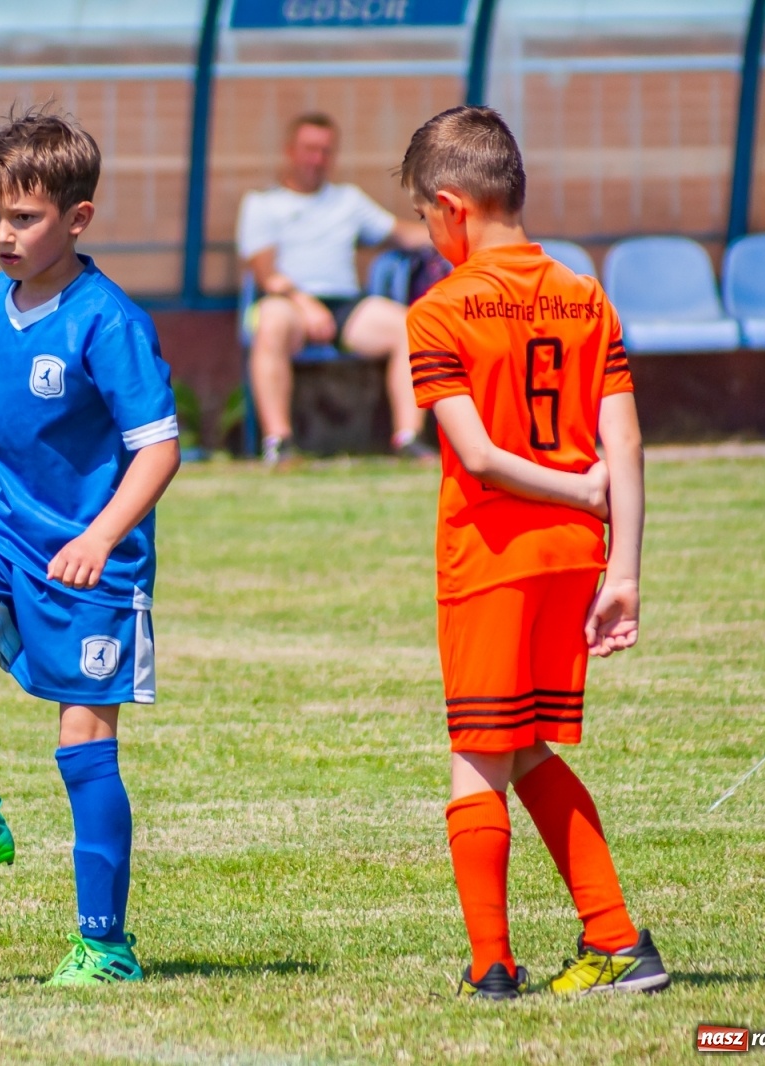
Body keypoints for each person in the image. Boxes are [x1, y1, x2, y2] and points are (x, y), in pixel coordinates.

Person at [0, 109, 180, 986]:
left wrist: (99, 535)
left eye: (26, 218)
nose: (4, 236)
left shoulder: (108, 322)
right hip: (6, 527)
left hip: (93, 561)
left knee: (82, 746)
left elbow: (157, 448)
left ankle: (106, 945)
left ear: (77, 219)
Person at [399, 106, 669, 999]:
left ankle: (491, 967)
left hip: (494, 556)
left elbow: (476, 457)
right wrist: (622, 569)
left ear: (451, 208)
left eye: (426, 220)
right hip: (575, 561)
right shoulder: (588, 296)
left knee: (478, 754)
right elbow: (623, 447)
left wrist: (574, 489)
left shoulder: (440, 310)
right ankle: (617, 939)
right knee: (525, 750)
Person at [237, 112, 436, 464]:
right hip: (287, 303)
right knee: (270, 325)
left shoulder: (348, 200)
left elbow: (400, 234)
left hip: (346, 305)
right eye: (310, 149)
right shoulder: (263, 204)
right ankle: (278, 443)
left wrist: (456, 232)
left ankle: (408, 438)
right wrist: (304, 304)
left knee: (412, 325)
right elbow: (266, 275)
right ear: (290, 151)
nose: (317, 159)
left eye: (326, 151)